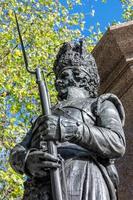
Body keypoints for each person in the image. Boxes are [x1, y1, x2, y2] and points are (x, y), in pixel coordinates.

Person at [9, 41, 126, 200]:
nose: (58, 81)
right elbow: (18, 150)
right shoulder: (44, 117)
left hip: (83, 176)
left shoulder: (100, 104)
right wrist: (27, 161)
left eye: (64, 75)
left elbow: (117, 143)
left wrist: (73, 130)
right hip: (41, 187)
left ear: (81, 76)